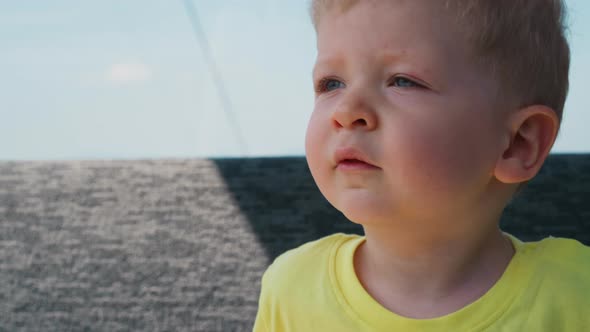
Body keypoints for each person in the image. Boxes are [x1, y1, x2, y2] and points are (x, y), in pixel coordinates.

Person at [253, 0, 590, 330]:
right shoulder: (291, 291)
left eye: (402, 81)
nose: (346, 110)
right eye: (331, 83)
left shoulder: (576, 296)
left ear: (518, 143)